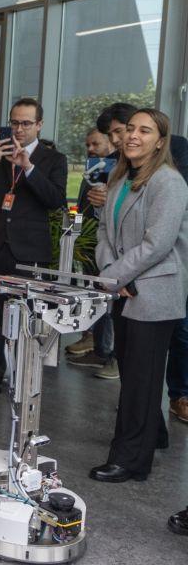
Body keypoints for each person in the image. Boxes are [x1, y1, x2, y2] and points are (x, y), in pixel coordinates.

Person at [89, 108, 188, 483]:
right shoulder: (119, 179)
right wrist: (113, 276)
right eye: (130, 128)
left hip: (154, 290)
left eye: (145, 131)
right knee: (134, 373)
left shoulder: (168, 181)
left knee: (140, 381)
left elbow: (158, 244)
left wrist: (115, 276)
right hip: (125, 288)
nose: (133, 135)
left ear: (160, 141)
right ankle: (153, 434)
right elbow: (103, 236)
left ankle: (130, 460)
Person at [0, 98, 67, 397]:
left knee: (28, 317)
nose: (18, 129)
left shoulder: (52, 160)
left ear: (39, 125)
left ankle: (24, 378)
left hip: (30, 251)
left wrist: (29, 168)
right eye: (14, 122)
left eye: (26, 123)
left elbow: (55, 199)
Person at [66, 128, 118, 378]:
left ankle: (112, 355)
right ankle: (97, 346)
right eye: (88, 144)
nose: (90, 149)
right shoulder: (91, 171)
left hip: (111, 246)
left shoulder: (119, 172)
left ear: (111, 142)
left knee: (110, 302)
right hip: (89, 241)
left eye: (95, 143)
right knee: (94, 295)